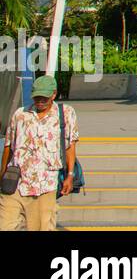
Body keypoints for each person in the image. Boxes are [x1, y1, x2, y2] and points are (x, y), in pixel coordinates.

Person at [0, 76, 79, 231]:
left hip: (44, 185)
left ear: (54, 94)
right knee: (4, 226)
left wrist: (70, 175)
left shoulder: (66, 113)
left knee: (41, 228)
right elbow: (8, 147)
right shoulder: (20, 114)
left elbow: (70, 146)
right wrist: (2, 175)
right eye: (37, 98)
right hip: (15, 183)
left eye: (44, 98)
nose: (40, 101)